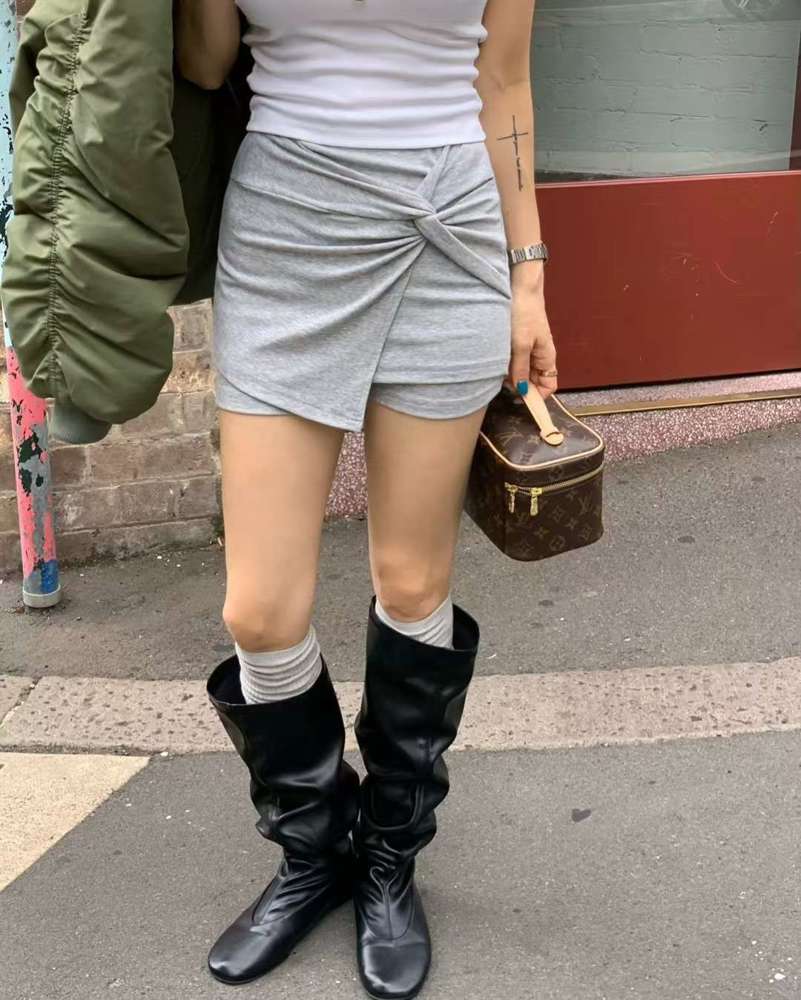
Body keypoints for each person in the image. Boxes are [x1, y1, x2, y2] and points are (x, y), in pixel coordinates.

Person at [175, 2, 557, 998]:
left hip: (449, 231)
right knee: (260, 610)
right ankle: (314, 850)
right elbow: (208, 62)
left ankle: (388, 854)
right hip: (288, 226)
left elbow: (504, 79)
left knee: (413, 579)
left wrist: (528, 279)